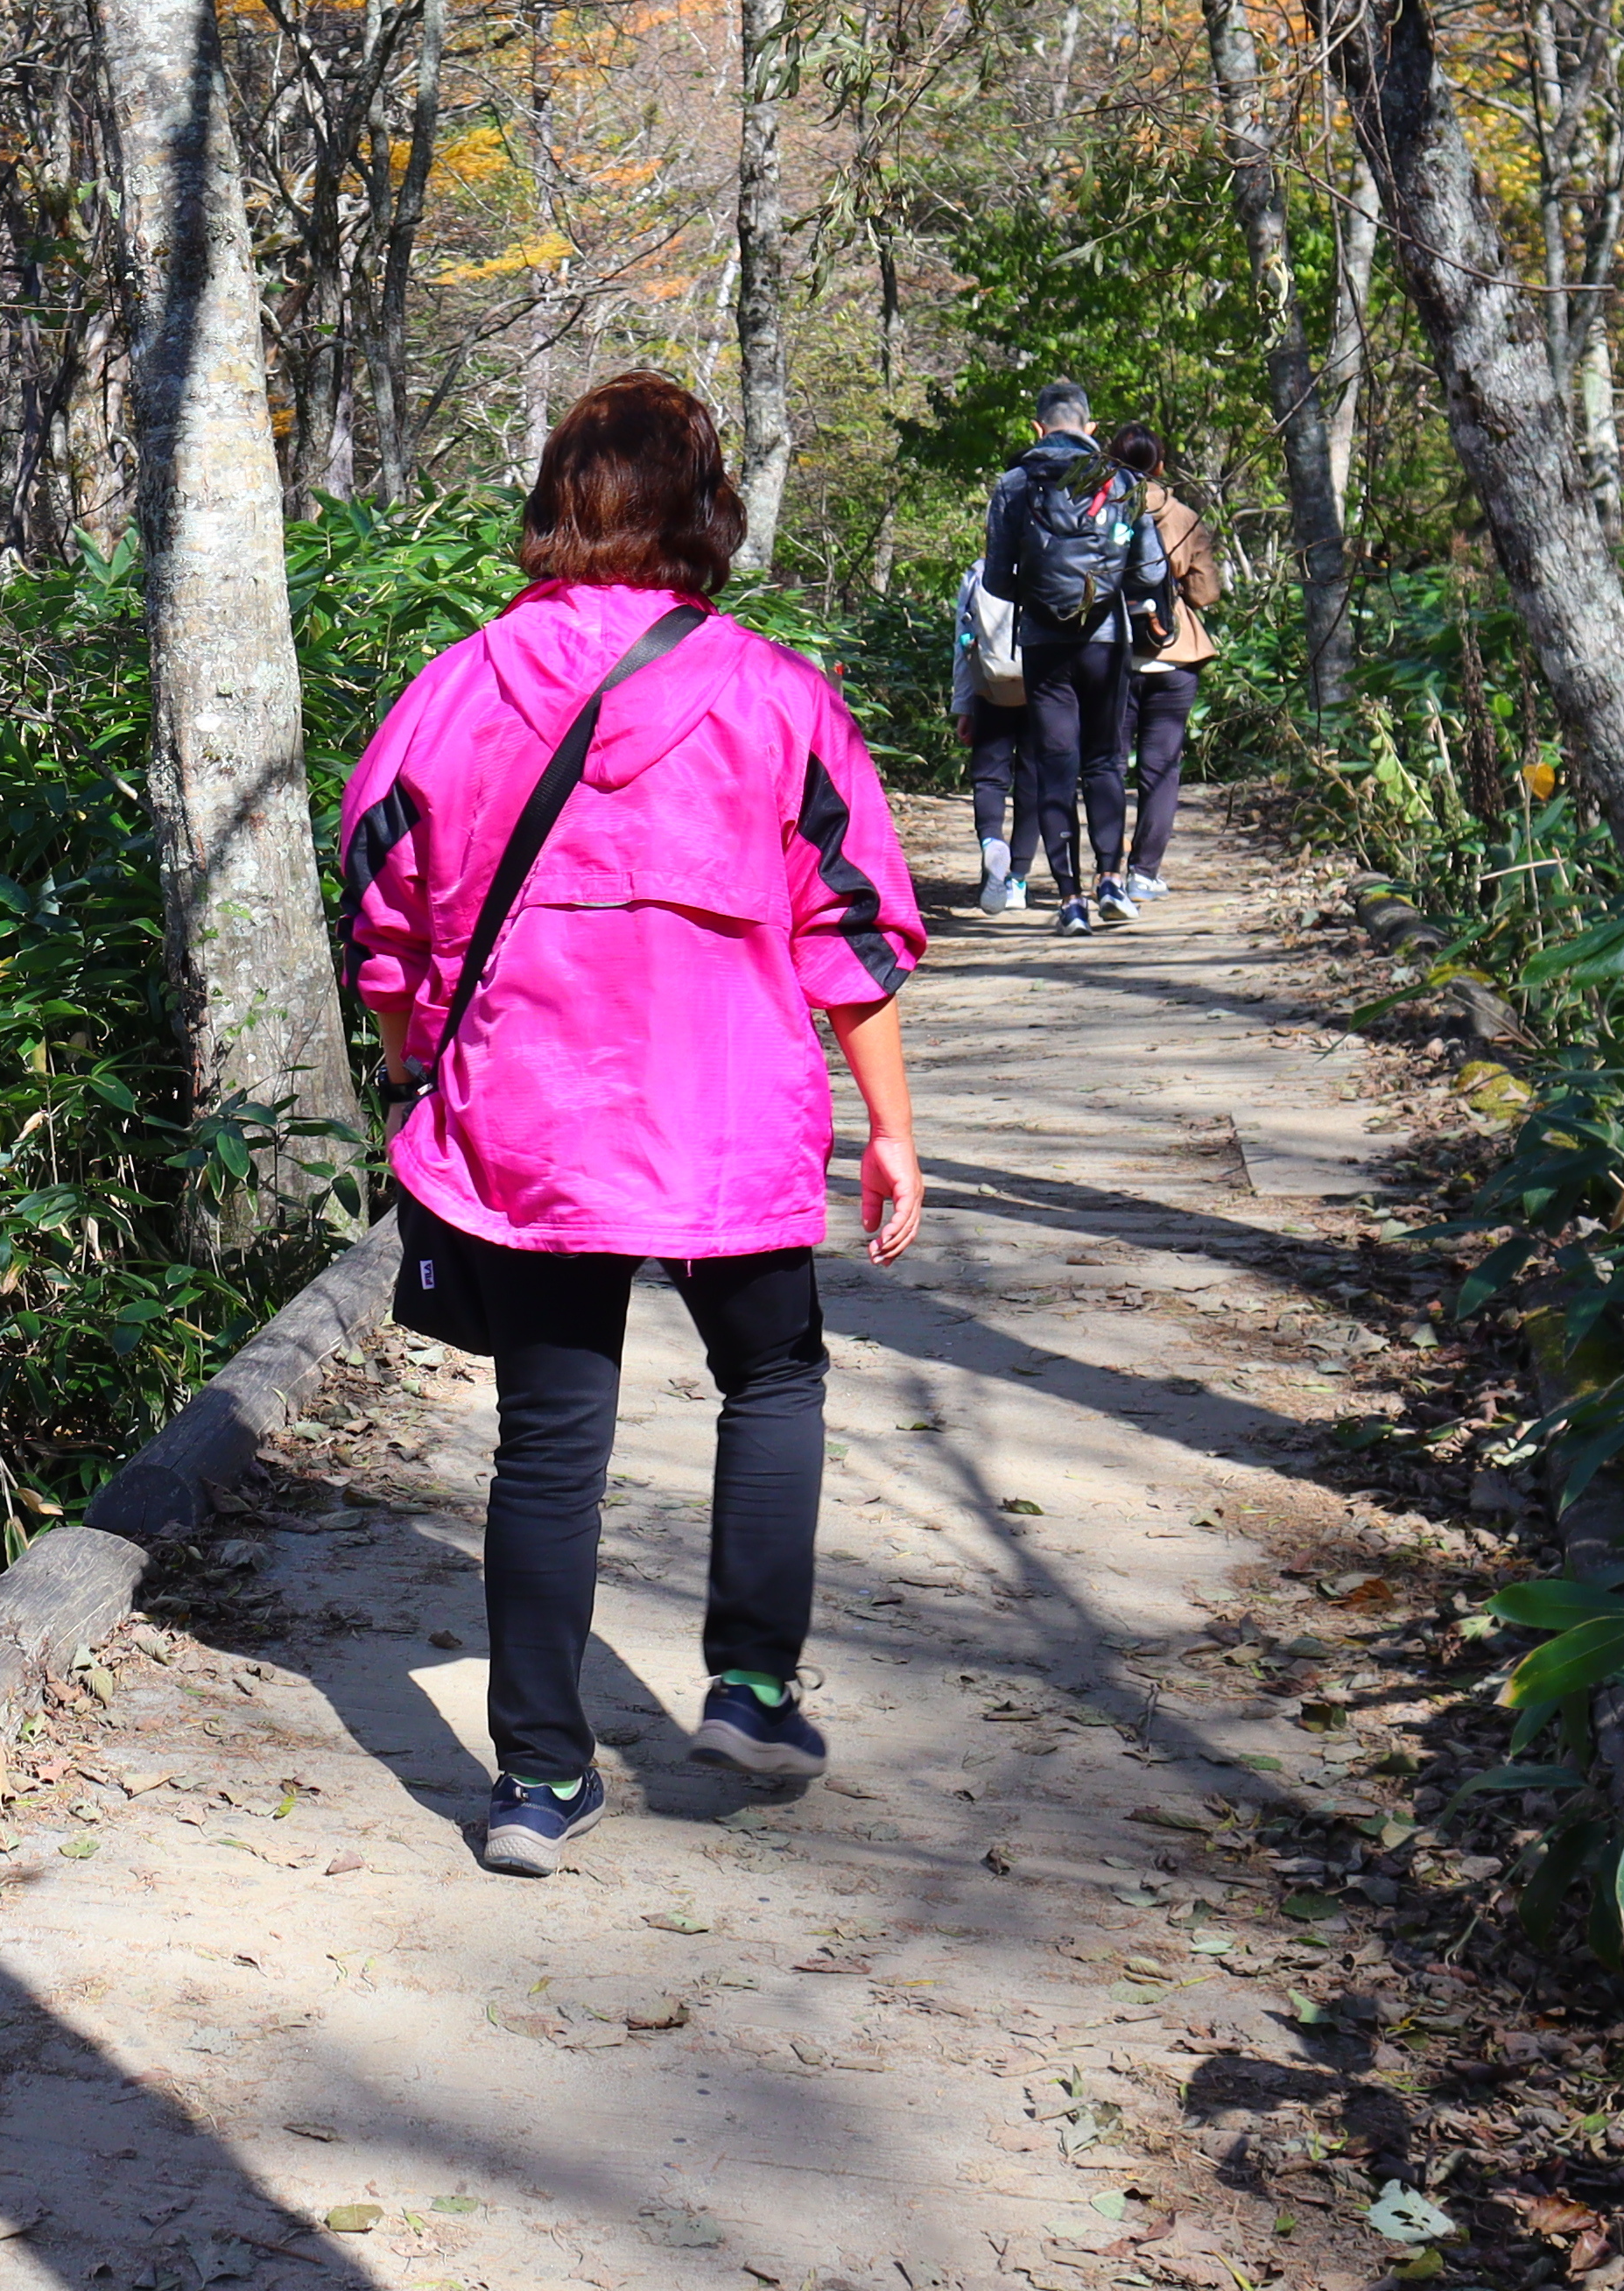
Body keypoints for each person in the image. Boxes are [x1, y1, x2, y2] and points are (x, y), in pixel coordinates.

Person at [338, 372, 929, 1878]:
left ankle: (536, 1783)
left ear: (557, 501)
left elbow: (381, 903)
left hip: (532, 1120)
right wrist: (891, 1129)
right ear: (703, 509)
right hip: (730, 1106)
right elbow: (848, 926)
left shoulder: (456, 686)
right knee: (774, 1376)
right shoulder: (776, 693)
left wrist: (422, 1050)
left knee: (549, 1443)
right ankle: (749, 1689)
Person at [974, 383, 1151, 933]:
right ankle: (1111, 881)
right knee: (1103, 761)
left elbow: (998, 579)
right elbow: (1147, 572)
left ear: (1038, 428)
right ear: (1090, 428)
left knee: (1055, 764)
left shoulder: (1015, 483)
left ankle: (1069, 898)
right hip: (1106, 640)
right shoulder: (1122, 481)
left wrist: (1041, 596)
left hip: (1044, 645)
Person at [1098, 424, 1225, 905]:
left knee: (1108, 763)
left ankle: (1106, 870)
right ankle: (1144, 872)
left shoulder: (1100, 512)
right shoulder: (1185, 517)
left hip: (1113, 654)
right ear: (1161, 466)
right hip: (1175, 653)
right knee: (1161, 768)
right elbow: (1206, 593)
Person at [946, 549, 1030, 915]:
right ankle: (1018, 881)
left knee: (990, 778)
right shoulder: (1059, 561)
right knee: (1035, 778)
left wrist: (963, 704)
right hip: (1046, 687)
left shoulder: (980, 571)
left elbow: (963, 637)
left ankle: (992, 842)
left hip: (992, 682)